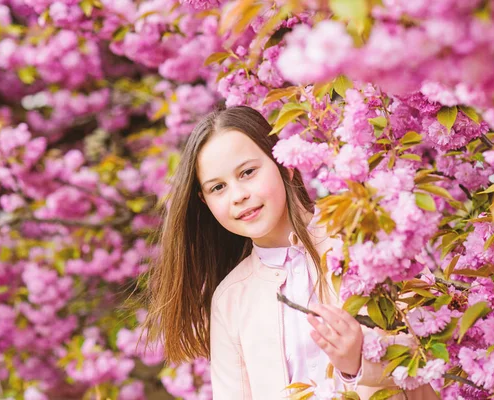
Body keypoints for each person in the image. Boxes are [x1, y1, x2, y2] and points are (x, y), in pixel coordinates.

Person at [145, 106, 438, 399]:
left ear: (284, 163)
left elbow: (438, 348)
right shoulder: (230, 298)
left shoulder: (361, 239)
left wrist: (360, 361)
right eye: (218, 187)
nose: (238, 195)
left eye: (248, 172)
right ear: (204, 201)